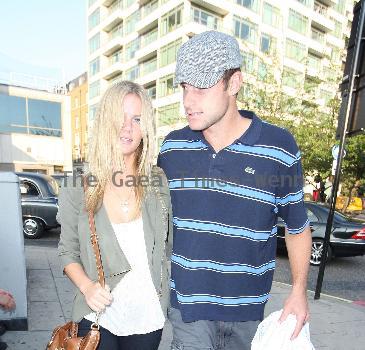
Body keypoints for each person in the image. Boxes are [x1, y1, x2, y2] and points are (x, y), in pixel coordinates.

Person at [158, 31, 312, 350]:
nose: (188, 101)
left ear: (234, 83)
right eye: (184, 87)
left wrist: (298, 291)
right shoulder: (172, 148)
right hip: (188, 310)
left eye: (200, 88)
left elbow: (297, 227)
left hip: (248, 312)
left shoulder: (279, 148)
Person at [57, 81, 172, 350]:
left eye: (136, 119)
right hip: (98, 315)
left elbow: (168, 245)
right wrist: (87, 287)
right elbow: (67, 252)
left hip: (147, 317)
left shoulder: (157, 182)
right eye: (119, 117)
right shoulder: (79, 184)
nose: (127, 127)